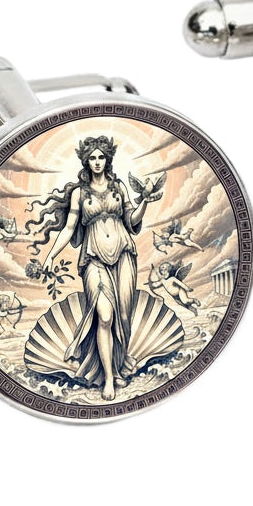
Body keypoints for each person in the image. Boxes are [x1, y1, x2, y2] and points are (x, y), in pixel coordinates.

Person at [25, 136, 161, 399]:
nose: (97, 162)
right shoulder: (79, 193)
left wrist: (144, 201)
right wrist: (51, 254)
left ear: (107, 160)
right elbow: (69, 228)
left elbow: (132, 220)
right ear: (86, 161)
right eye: (92, 158)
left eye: (101, 157)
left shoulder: (119, 187)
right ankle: (108, 378)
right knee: (105, 317)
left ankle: (117, 366)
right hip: (93, 259)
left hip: (124, 255)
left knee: (123, 316)